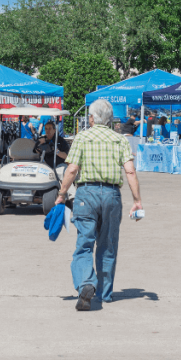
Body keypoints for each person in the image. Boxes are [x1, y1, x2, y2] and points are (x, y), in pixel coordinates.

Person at [55, 99, 142, 311]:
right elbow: (130, 171)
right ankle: (104, 294)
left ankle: (86, 283)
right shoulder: (119, 139)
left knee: (84, 244)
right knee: (108, 246)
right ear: (110, 119)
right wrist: (137, 201)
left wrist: (61, 194)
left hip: (86, 195)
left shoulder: (82, 138)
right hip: (112, 195)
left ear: (92, 118)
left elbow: (72, 169)